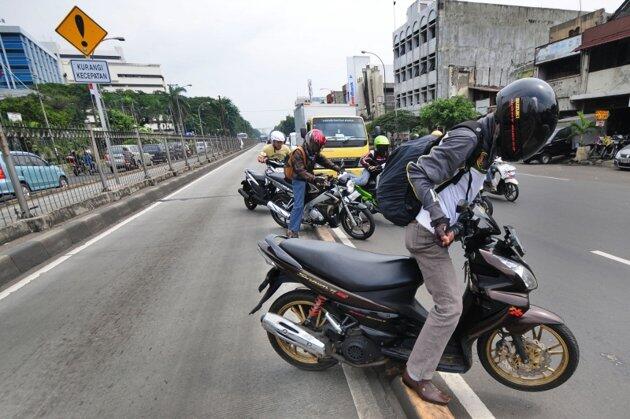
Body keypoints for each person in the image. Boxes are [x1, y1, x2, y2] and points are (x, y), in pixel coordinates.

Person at [403, 78, 558, 405]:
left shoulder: (490, 147)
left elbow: (466, 193)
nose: (530, 139)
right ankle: (416, 374)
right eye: (528, 129)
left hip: (441, 234)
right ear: (514, 121)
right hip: (426, 234)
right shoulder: (469, 138)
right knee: (449, 308)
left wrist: (463, 224)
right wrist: (440, 219)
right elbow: (418, 173)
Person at [286, 129, 342, 238]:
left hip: (308, 176)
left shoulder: (314, 153)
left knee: (323, 190)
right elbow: (300, 171)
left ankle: (314, 215)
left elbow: (324, 161)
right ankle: (292, 230)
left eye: (319, 146)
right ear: (310, 142)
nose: (318, 148)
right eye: (316, 145)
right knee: (299, 205)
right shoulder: (298, 152)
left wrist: (336, 168)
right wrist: (315, 179)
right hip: (299, 179)